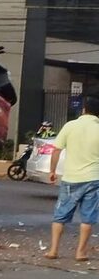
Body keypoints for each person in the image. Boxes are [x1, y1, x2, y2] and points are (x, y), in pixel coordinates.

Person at [45, 91, 99, 261]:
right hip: (93, 178)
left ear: (83, 110)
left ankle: (53, 250)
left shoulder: (70, 126)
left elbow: (56, 150)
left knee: (60, 215)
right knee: (88, 218)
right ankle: (80, 252)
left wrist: (52, 171)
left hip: (71, 178)